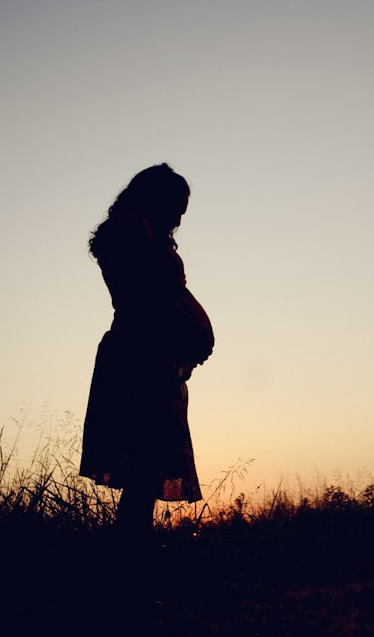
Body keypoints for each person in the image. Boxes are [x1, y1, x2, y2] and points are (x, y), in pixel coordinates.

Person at [80, 164, 214, 528]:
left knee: (147, 464)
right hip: (141, 355)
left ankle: (134, 553)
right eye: (176, 208)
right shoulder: (131, 230)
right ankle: (131, 558)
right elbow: (153, 295)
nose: (179, 220)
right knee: (144, 461)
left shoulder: (140, 231)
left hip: (152, 354)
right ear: (156, 198)